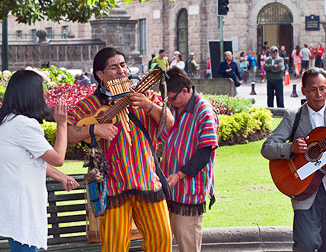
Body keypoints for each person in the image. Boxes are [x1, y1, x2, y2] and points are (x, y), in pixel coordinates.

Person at [66, 47, 174, 252]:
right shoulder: (89, 104)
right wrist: (94, 128)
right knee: (114, 247)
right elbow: (67, 134)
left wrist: (147, 105)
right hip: (114, 186)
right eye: (113, 67)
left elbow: (169, 121)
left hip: (147, 182)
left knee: (161, 239)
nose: (121, 71)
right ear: (99, 74)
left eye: (123, 65)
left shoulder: (145, 96)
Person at [261, 67, 326, 251]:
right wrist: (291, 147)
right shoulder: (293, 116)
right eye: (312, 89)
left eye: (322, 89)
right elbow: (267, 148)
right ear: (303, 90)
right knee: (306, 245)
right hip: (302, 187)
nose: (318, 94)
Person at [0, 69, 79, 252]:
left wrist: (61, 177)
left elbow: (30, 159)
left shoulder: (5, 121)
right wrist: (62, 124)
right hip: (21, 209)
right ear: (32, 94)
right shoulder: (23, 125)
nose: (43, 96)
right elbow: (58, 158)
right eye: (41, 91)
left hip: (14, 206)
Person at [160, 67, 219, 252]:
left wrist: (179, 175)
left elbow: (205, 153)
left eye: (172, 98)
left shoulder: (204, 111)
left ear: (185, 91)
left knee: (188, 246)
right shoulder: (172, 108)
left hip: (189, 191)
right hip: (168, 188)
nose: (169, 102)